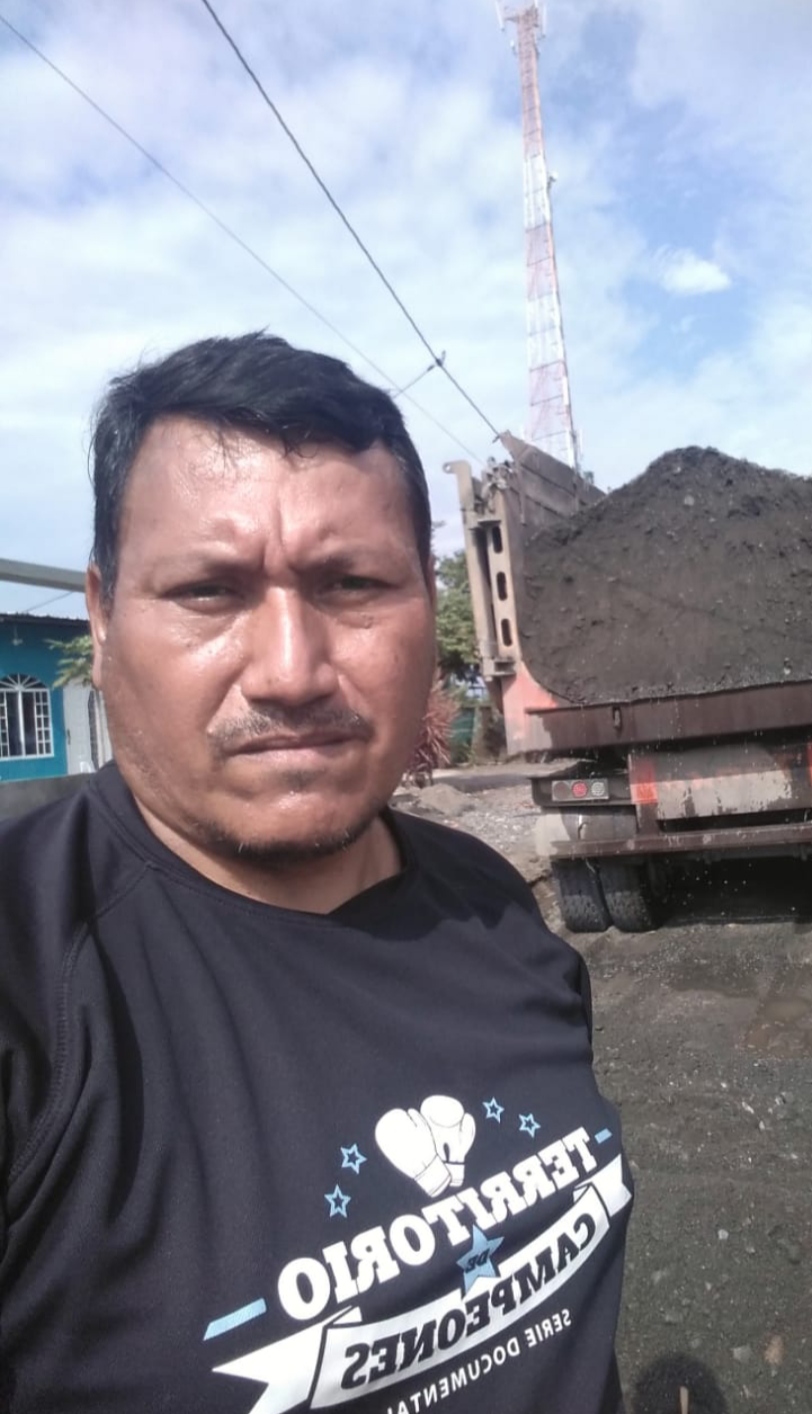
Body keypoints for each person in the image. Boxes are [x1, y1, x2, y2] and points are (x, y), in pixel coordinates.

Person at [0, 333, 631, 1413]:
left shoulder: (489, 903)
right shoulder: (29, 974)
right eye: (209, 590)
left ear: (427, 606)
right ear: (102, 618)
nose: (291, 672)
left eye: (351, 584)